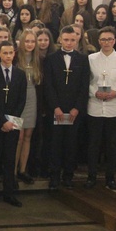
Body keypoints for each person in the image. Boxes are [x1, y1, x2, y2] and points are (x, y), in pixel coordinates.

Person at [86, 26, 116, 189]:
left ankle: (110, 177)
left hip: (114, 107)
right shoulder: (91, 59)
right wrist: (95, 93)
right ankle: (91, 176)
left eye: (109, 39)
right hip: (95, 106)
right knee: (93, 143)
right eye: (103, 39)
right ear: (98, 41)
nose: (106, 42)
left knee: (112, 144)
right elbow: (84, 82)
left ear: (114, 41)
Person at [43, 25, 90, 190]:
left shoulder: (83, 59)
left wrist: (77, 108)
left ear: (77, 40)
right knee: (55, 142)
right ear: (60, 40)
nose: (69, 43)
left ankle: (68, 175)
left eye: (72, 40)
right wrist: (55, 107)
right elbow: (48, 85)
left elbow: (85, 86)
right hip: (56, 108)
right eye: (66, 40)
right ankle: (54, 175)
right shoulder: (51, 58)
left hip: (74, 110)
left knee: (71, 143)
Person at [0, 41, 27, 207]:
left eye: (11, 53)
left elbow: (22, 100)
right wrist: (2, 121)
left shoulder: (20, 75)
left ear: (14, 54)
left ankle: (9, 193)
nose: (8, 56)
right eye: (5, 53)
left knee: (10, 160)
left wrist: (11, 121)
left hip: (13, 123)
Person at [14, 29, 41, 185]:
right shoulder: (16, 58)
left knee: (28, 136)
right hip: (19, 99)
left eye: (32, 41)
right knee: (19, 136)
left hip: (32, 99)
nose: (30, 44)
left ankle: (23, 170)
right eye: (27, 41)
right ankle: (12, 171)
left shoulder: (38, 59)